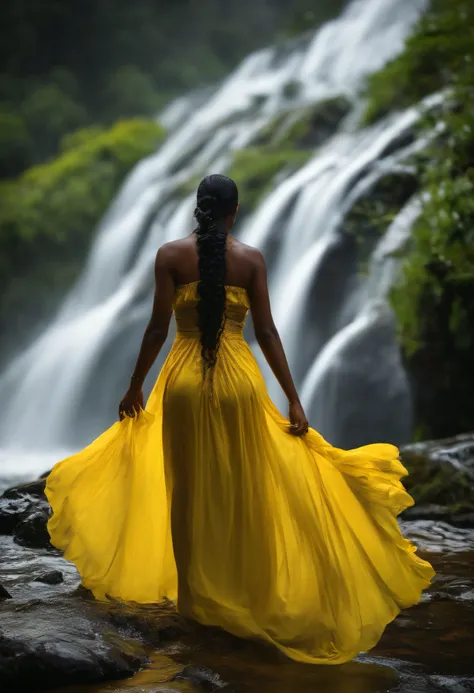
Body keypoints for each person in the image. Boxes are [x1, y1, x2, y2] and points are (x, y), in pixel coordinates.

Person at [46, 174, 435, 665]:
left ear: (198, 208)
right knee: (244, 486)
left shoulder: (169, 255)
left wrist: (135, 385)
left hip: (184, 384)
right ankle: (248, 594)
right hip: (240, 386)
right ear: (234, 212)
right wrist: (294, 399)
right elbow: (268, 332)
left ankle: (198, 602)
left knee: (188, 490)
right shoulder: (251, 259)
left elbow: (156, 329)